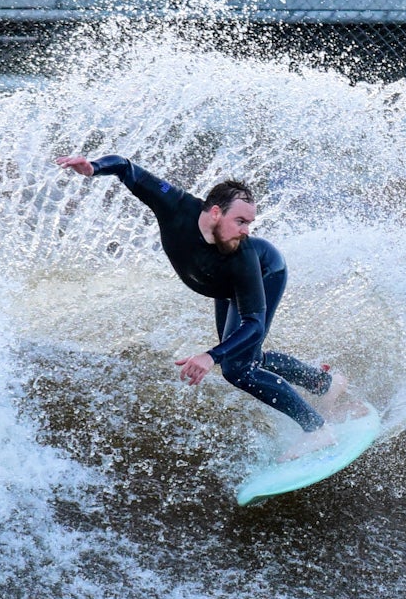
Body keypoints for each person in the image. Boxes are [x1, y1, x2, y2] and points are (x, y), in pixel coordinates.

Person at [54, 154, 363, 454]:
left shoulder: (244, 256)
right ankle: (324, 383)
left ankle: (316, 429)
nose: (246, 230)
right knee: (244, 357)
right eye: (240, 221)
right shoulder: (175, 204)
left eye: (249, 222)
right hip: (224, 286)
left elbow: (254, 325)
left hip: (267, 272)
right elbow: (125, 167)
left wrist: (210, 356)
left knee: (237, 368)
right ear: (215, 212)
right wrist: (94, 167)